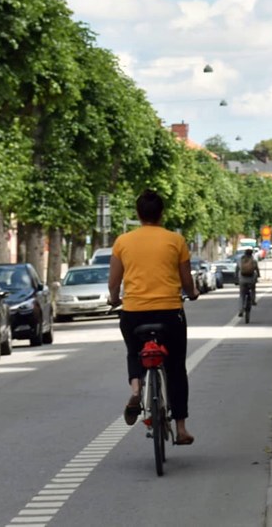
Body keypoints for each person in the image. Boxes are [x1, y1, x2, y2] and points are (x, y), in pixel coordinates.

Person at [107, 190, 200, 445]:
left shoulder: (122, 242)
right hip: (170, 313)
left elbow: (114, 282)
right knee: (176, 367)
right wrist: (192, 293)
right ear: (162, 213)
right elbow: (186, 280)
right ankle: (181, 428)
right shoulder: (176, 240)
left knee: (134, 351)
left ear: (138, 214)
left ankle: (136, 389)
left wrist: (114, 298)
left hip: (134, 312)